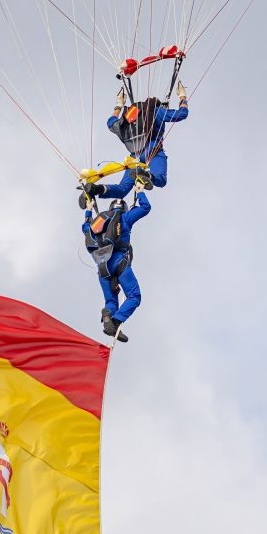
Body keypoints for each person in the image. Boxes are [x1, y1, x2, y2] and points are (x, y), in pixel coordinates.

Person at [83, 81, 188, 202]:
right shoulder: (158, 111)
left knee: (122, 190)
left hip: (134, 157)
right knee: (160, 179)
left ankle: (95, 189)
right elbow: (182, 113)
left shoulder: (130, 117)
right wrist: (182, 96)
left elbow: (110, 123)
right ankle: (146, 175)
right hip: (152, 150)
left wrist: (119, 105)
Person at [82, 187, 151, 342]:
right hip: (118, 262)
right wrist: (139, 191)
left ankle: (108, 314)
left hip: (102, 267)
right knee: (134, 296)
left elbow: (85, 228)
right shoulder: (125, 217)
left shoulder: (98, 221)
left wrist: (88, 210)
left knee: (111, 301)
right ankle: (116, 320)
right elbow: (146, 207)